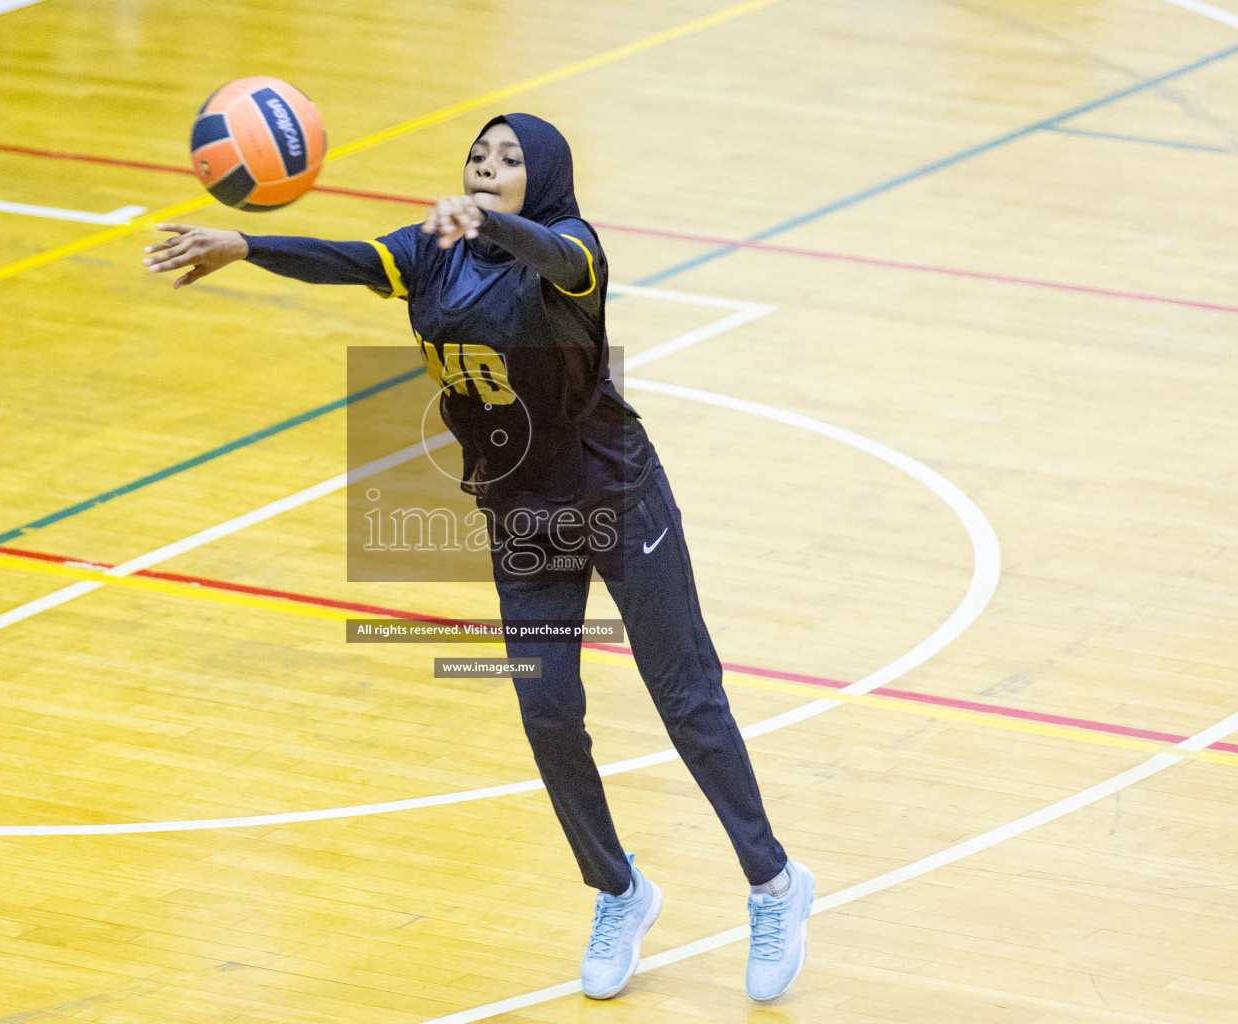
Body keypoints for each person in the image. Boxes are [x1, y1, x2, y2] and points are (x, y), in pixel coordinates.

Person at [142, 112, 813, 1003]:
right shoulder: (430, 252)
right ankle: (620, 890)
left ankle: (773, 883)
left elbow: (557, 258)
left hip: (615, 497)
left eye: (508, 158)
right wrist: (244, 243)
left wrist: (489, 222)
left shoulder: (572, 247)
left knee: (685, 698)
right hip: (521, 513)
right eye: (477, 155)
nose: (488, 166)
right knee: (546, 714)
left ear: (542, 176)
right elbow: (346, 259)